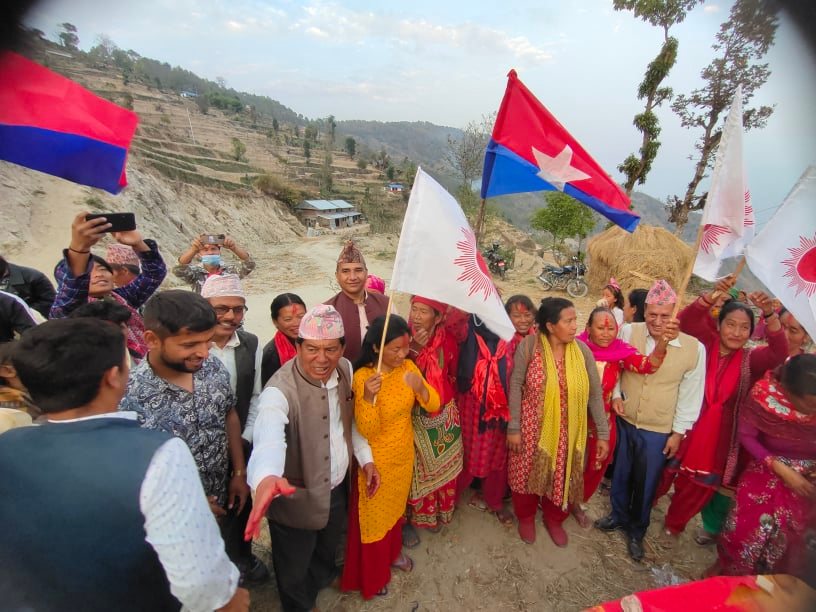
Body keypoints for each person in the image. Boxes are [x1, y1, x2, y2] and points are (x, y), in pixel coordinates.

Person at [0, 318, 249, 612]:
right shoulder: (159, 454)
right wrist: (230, 600)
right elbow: (201, 585)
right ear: (112, 377)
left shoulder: (8, 445)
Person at [246, 304, 379, 612]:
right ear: (298, 347)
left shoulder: (345, 369)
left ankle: (322, 577)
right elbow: (269, 435)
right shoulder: (279, 390)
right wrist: (266, 476)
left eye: (330, 349)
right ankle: (299, 605)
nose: (322, 359)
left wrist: (366, 458)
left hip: (337, 485)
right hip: (296, 495)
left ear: (342, 348)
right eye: (312, 349)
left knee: (327, 544)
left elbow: (349, 421)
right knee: (293, 560)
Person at [657, 277, 788, 540]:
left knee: (698, 487)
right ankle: (643, 508)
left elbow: (778, 352)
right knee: (661, 473)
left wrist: (770, 314)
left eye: (744, 327)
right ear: (719, 325)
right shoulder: (704, 345)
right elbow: (687, 321)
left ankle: (674, 524)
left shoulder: (751, 360)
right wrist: (713, 295)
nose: (736, 333)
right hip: (683, 426)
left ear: (751, 332)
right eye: (730, 324)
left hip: (718, 440)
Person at [119, 291, 249, 533]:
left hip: (224, 500)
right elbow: (130, 476)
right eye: (189, 345)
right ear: (152, 339)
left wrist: (239, 472)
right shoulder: (129, 398)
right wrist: (189, 505)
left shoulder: (212, 367)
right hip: (171, 524)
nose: (204, 353)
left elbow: (229, 414)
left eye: (207, 341)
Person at [595, 279, 705, 562]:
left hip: (658, 428)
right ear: (644, 311)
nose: (657, 321)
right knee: (621, 472)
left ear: (675, 313)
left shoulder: (694, 348)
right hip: (626, 419)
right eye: (652, 314)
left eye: (665, 315)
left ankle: (636, 530)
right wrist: (616, 395)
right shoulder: (629, 331)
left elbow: (691, 394)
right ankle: (617, 515)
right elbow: (616, 366)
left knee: (646, 482)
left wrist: (678, 432)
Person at [342, 314, 439, 599]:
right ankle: (373, 576)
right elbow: (367, 430)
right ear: (376, 347)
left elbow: (433, 404)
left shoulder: (408, 367)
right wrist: (368, 398)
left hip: (403, 458)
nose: (402, 354)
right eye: (395, 349)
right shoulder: (364, 378)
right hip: (377, 464)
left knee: (396, 512)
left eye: (406, 347)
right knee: (374, 520)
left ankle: (393, 553)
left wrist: (420, 388)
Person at [506, 297, 607, 546]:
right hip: (531, 429)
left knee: (562, 476)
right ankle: (526, 517)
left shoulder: (582, 352)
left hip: (568, 433)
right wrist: (514, 427)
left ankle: (554, 519)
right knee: (524, 475)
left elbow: (595, 394)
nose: (574, 326)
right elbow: (516, 385)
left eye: (575, 320)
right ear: (551, 326)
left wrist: (603, 434)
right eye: (568, 321)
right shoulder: (530, 346)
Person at [716, 355, 816, 580]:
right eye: (810, 404)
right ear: (787, 391)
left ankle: (773, 585)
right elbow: (746, 436)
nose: (814, 409)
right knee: (745, 531)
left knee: (796, 542)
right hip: (767, 467)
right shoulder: (764, 396)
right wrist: (779, 468)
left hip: (810, 480)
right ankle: (730, 575)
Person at [573, 307, 674, 526]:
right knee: (568, 459)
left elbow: (648, 366)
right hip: (572, 418)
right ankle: (555, 498)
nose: (606, 333)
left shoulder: (620, 352)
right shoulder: (574, 348)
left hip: (602, 423)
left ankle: (577, 501)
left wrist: (663, 343)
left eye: (611, 329)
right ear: (588, 328)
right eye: (600, 328)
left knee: (595, 464)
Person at [200, 274, 269, 585]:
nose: (230, 316)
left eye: (238, 309)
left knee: (240, 504)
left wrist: (244, 439)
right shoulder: (193, 347)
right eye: (221, 308)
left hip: (241, 443)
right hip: (200, 452)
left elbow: (255, 395)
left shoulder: (249, 343)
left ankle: (243, 559)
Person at [50, 212, 167, 361]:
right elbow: (73, 287)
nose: (99, 275)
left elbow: (154, 274)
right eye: (89, 272)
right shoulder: (68, 312)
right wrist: (79, 248)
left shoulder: (121, 298)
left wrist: (138, 244)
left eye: (102, 269)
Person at [403, 295, 462, 546]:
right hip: (412, 412)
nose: (416, 316)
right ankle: (412, 518)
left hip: (443, 412)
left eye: (424, 311)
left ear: (438, 317)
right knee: (414, 469)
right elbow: (395, 370)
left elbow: (453, 374)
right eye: (414, 309)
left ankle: (438, 511)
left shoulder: (448, 341)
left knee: (442, 466)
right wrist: (414, 348)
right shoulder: (401, 338)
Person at [455, 314, 514, 526]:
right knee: (465, 453)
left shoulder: (509, 339)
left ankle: (494, 500)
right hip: (470, 411)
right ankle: (452, 498)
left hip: (499, 412)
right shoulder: (465, 332)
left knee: (497, 455)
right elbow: (453, 326)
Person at [324, 240, 390, 364]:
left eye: (358, 270)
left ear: (366, 273)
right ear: (337, 276)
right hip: (343, 375)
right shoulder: (326, 311)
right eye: (345, 271)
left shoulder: (387, 305)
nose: (353, 277)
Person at [173, 234, 256, 294]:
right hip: (204, 311)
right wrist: (193, 250)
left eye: (213, 249)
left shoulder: (230, 271)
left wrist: (234, 248)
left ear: (219, 252)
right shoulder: (196, 273)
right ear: (199, 254)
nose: (210, 253)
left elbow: (249, 264)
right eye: (205, 250)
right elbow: (179, 270)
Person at [261, 293, 306, 386]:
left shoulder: (317, 341)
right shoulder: (271, 356)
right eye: (288, 319)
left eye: (301, 316)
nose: (296, 323)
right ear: (275, 322)